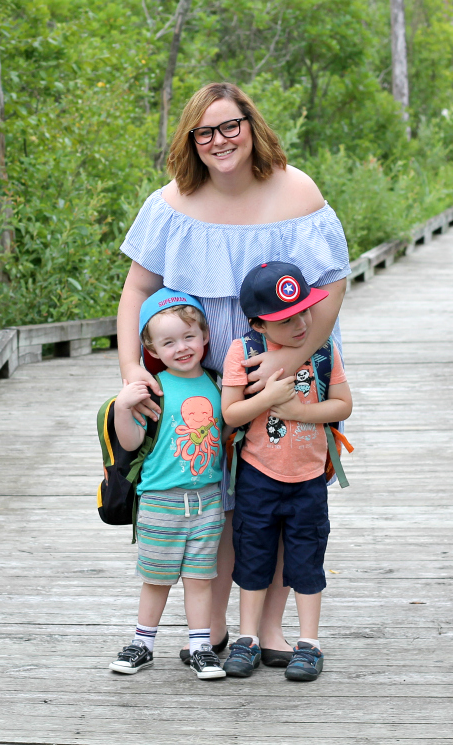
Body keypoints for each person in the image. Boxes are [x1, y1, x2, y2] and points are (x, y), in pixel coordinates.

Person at [117, 82, 351, 666]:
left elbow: (334, 281)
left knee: (276, 496)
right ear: (190, 141)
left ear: (251, 125)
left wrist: (291, 361)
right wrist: (131, 372)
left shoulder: (296, 190)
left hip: (285, 370)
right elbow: (135, 293)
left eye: (230, 126)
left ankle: (270, 628)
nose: (219, 141)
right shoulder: (169, 204)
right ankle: (216, 630)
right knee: (216, 501)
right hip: (203, 379)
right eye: (205, 132)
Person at [219, 262, 352, 682]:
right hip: (259, 477)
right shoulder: (242, 352)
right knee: (253, 556)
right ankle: (247, 639)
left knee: (307, 560)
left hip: (309, 478)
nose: (301, 323)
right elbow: (231, 413)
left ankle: (309, 643)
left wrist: (298, 411)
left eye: (305, 311)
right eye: (286, 318)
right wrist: (268, 398)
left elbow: (343, 405)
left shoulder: (323, 349)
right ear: (258, 322)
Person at [107, 289, 227, 680]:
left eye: (189, 337)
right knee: (157, 578)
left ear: (205, 336)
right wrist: (124, 407)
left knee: (199, 578)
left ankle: (200, 647)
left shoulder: (218, 383)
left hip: (208, 498)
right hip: (161, 499)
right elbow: (130, 442)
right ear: (151, 347)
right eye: (168, 342)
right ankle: (143, 644)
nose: (181, 348)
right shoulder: (153, 387)